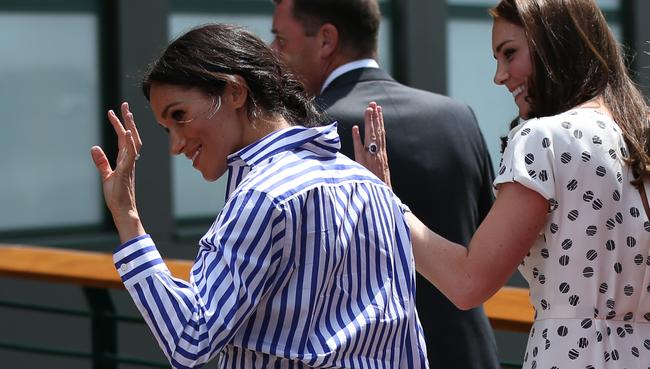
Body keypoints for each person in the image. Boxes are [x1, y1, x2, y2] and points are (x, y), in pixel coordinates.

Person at [90, 24, 429, 369]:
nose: (176, 145)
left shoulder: (262, 196)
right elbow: (407, 343)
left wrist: (127, 219)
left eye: (180, 116)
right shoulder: (372, 188)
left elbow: (190, 339)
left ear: (235, 91)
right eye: (167, 129)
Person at [356, 0, 650, 368]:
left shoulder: (544, 138)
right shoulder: (639, 137)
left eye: (509, 53)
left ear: (553, 43)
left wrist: (385, 202)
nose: (500, 76)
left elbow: (467, 282)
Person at [270, 0, 500, 367]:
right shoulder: (459, 117)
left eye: (281, 39)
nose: (273, 54)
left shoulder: (307, 132)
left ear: (327, 40)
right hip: (469, 352)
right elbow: (488, 239)